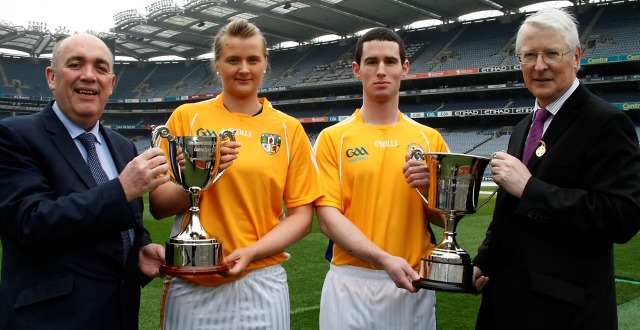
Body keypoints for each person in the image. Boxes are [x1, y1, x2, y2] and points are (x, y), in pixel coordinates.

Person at [149, 19, 323, 329]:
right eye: (233, 60)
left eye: (252, 59)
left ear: (265, 64)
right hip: (194, 281)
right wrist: (202, 170)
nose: (244, 69)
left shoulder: (288, 129)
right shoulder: (187, 118)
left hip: (262, 278)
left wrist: (253, 251)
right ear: (217, 65)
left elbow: (301, 217)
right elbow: (159, 207)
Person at [473, 7, 640, 329]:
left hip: (565, 313)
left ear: (576, 57)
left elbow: (622, 217)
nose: (539, 66)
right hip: (504, 304)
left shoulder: (605, 122)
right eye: (529, 55)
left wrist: (531, 189)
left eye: (551, 53)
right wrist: (484, 260)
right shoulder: (524, 126)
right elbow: (508, 210)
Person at [0, 33, 169, 329]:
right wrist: (122, 188)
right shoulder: (15, 135)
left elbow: (125, 226)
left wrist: (141, 251)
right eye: (76, 65)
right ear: (52, 77)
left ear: (112, 83)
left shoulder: (122, 147)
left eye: (101, 68)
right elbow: (29, 223)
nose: (89, 76)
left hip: (118, 316)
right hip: (49, 321)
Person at [313, 27, 449, 329]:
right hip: (350, 282)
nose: (381, 70)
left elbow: (446, 218)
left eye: (390, 61)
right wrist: (384, 259)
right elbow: (327, 218)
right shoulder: (333, 138)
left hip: (413, 280)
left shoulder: (429, 139)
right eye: (372, 62)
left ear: (405, 68)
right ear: (356, 70)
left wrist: (430, 190)